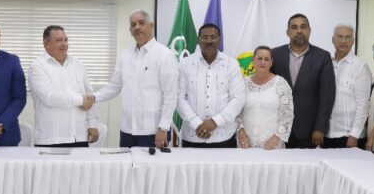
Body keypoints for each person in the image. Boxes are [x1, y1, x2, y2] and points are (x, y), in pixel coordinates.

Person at [92, 9, 178, 148]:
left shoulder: (165, 55)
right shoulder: (125, 54)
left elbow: (171, 95)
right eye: (133, 25)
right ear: (130, 31)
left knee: (152, 164)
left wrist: (163, 128)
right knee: (125, 163)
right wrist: (93, 97)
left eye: (141, 23)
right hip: (127, 130)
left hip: (153, 131)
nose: (137, 27)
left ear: (151, 26)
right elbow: (114, 86)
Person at [270, 13, 336, 148]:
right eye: (294, 27)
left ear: (309, 30)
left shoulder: (322, 57)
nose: (299, 31)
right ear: (288, 32)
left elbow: (327, 96)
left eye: (303, 27)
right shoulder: (274, 54)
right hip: (277, 128)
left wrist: (320, 128)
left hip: (308, 130)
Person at [176, 23, 245, 148]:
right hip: (192, 136)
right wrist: (197, 123)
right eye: (205, 37)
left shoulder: (232, 64)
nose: (209, 41)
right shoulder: (185, 64)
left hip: (224, 137)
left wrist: (214, 122)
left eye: (213, 37)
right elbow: (179, 98)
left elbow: (238, 98)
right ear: (198, 40)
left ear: (219, 40)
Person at [29, 25, 99, 147]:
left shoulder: (78, 64)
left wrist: (92, 124)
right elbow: (49, 97)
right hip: (51, 139)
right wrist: (81, 100)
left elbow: (89, 95)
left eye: (66, 40)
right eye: (59, 40)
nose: (64, 44)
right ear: (46, 44)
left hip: (79, 136)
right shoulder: (37, 66)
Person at [237, 45, 294, 149]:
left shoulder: (281, 83)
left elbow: (287, 115)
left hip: (273, 145)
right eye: (259, 58)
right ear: (253, 61)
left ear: (271, 62)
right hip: (246, 145)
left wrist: (277, 138)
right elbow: (237, 113)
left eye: (266, 59)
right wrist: (241, 134)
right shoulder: (242, 84)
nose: (263, 62)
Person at [323, 23, 371, 149]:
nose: (343, 41)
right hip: (326, 134)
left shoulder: (360, 66)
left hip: (348, 136)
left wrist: (354, 135)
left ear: (353, 41)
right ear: (333, 39)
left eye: (348, 37)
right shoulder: (327, 64)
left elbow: (363, 104)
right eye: (339, 36)